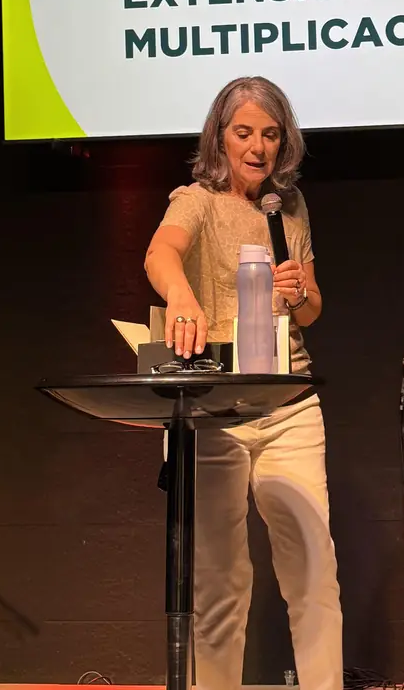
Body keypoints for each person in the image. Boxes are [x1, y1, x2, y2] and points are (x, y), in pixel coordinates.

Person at [144, 76, 343, 690]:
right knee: (221, 581)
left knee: (314, 571)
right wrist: (182, 297)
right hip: (218, 409)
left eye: (270, 134)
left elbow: (311, 309)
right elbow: (160, 254)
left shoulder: (289, 206)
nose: (257, 147)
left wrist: (300, 294)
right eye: (244, 132)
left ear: (285, 142)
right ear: (221, 137)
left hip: (290, 401)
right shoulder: (197, 200)